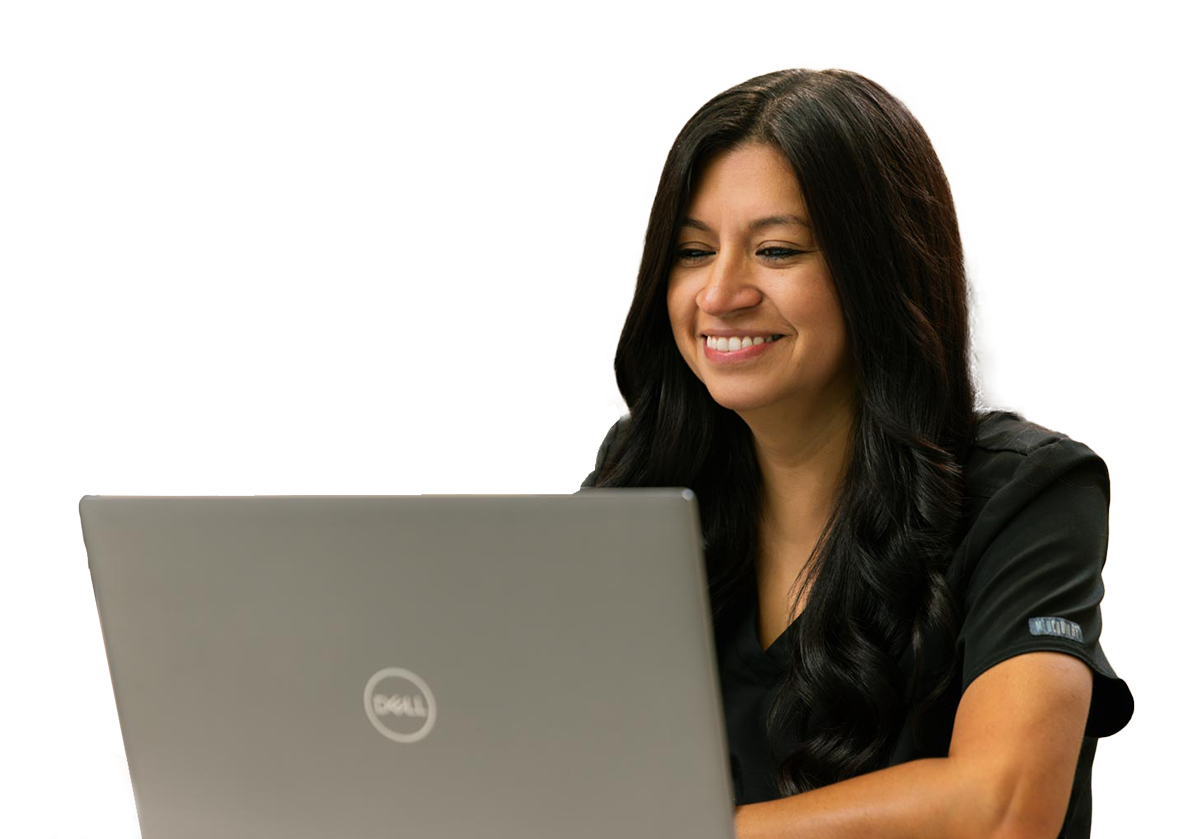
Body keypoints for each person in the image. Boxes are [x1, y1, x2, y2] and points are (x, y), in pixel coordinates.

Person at [580, 66, 1133, 839]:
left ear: (878, 269)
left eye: (776, 250)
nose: (720, 293)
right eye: (693, 251)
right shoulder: (639, 477)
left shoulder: (1029, 492)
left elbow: (1002, 809)